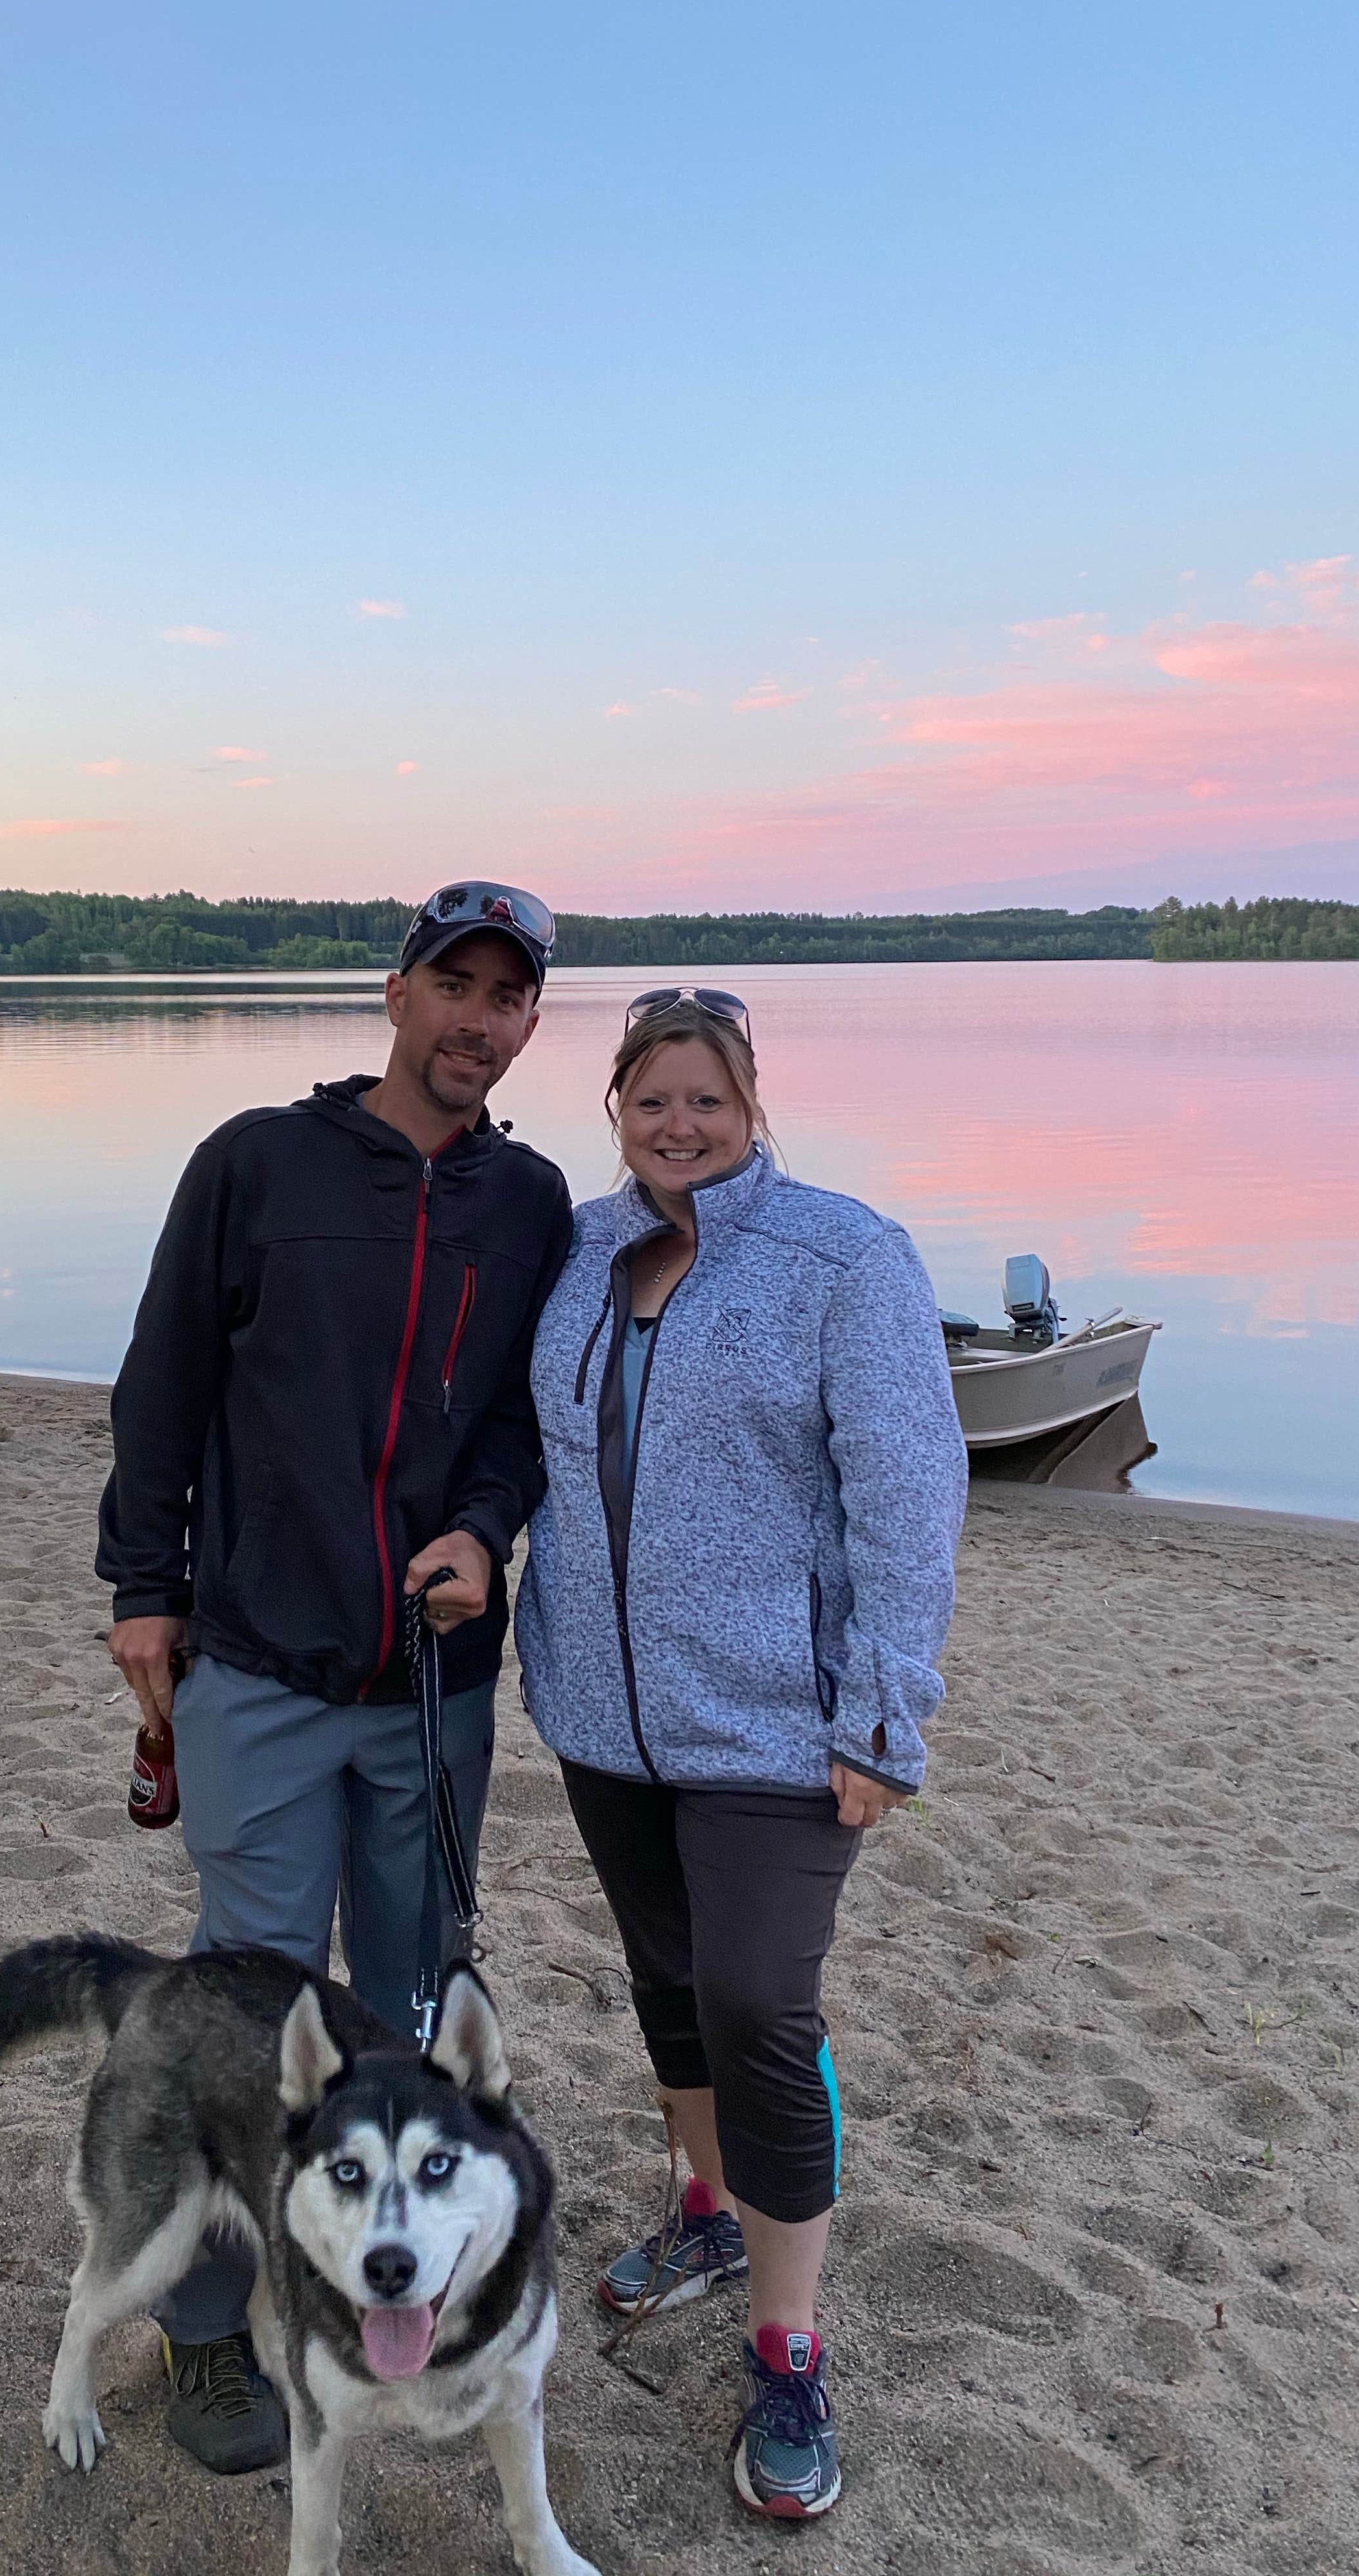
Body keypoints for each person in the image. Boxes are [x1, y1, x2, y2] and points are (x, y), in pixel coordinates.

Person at [98, 881, 573, 2474]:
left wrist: (487, 1531)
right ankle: (213, 2328)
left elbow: (524, 1420)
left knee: (411, 2007)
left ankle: (397, 2295)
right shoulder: (257, 1163)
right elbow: (161, 1384)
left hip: (434, 1688)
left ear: (527, 1028)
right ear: (396, 991)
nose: (479, 1021)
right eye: (457, 983)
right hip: (261, 1669)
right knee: (248, 2002)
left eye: (510, 999)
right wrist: (143, 1591)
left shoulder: (534, 1205)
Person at [513, 988, 966, 2520]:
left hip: (780, 1717)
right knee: (663, 1975)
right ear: (617, 1111)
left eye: (707, 1100)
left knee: (760, 1999)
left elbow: (906, 1493)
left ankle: (786, 2343)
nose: (679, 1126)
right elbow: (538, 1456)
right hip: (603, 1710)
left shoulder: (844, 1258)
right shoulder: (575, 1253)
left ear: (753, 1106)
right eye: (652, 1101)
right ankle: (704, 2211)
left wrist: (883, 1716)